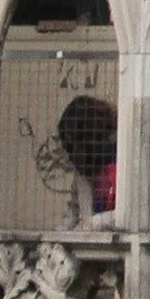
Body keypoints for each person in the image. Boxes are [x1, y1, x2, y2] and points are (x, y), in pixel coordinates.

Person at [55, 93, 118, 225]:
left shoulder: (120, 164)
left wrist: (93, 224)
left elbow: (128, 216)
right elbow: (73, 215)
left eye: (71, 147)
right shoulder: (83, 174)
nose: (70, 155)